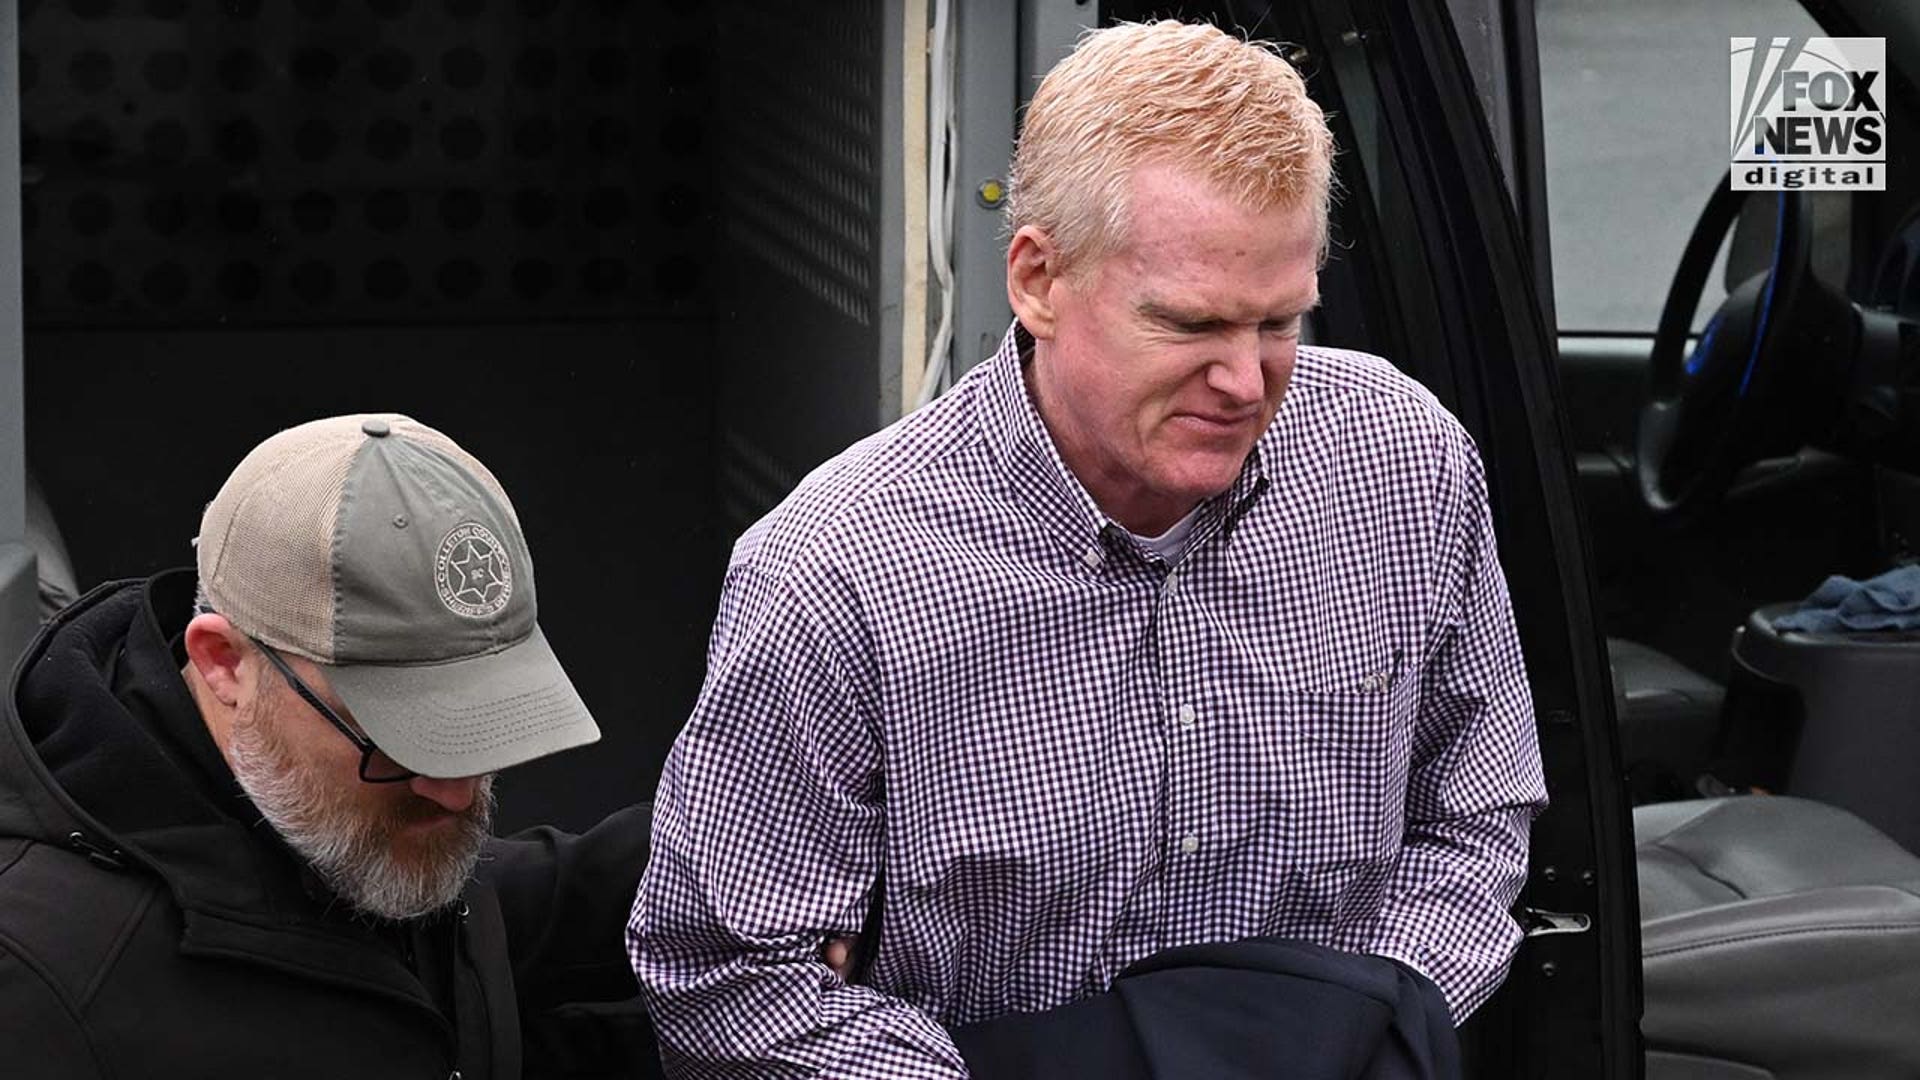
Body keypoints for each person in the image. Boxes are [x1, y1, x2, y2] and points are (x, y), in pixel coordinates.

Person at [632, 19, 1547, 1077]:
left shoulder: (1403, 466)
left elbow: (1473, 821)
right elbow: (725, 985)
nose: (1244, 382)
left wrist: (1363, 1031)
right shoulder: (838, 574)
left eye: (1280, 324)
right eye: (1191, 325)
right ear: (1038, 280)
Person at [0, 414, 657, 1079]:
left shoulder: (340, 827)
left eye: (476, 732)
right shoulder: (45, 990)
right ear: (224, 661)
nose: (457, 793)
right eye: (401, 741)